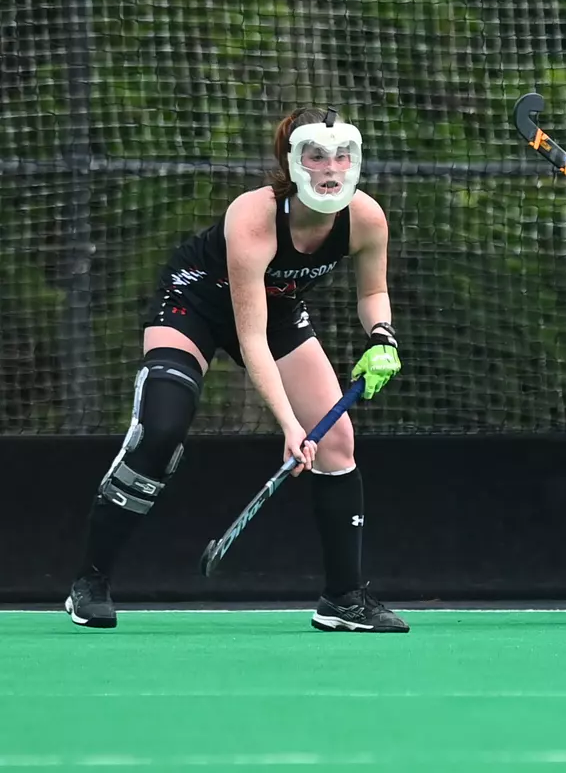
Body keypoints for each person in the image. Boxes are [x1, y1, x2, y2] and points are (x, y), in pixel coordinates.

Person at [65, 108, 407, 633]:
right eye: (315, 155)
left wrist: (382, 337)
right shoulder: (253, 216)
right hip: (196, 306)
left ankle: (343, 599)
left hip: (279, 313)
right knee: (161, 431)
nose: (330, 168)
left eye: (342, 155)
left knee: (337, 441)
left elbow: (373, 292)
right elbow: (249, 338)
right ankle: (91, 580)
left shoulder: (365, 218)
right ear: (290, 162)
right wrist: (290, 427)